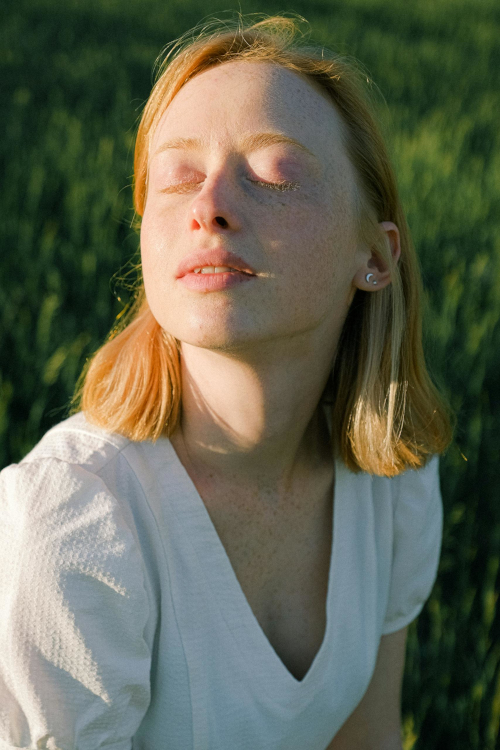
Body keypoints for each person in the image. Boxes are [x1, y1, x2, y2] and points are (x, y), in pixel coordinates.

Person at [0, 14, 452, 750]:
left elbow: (366, 734)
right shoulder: (76, 528)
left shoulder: (392, 478)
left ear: (374, 255)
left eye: (275, 174)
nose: (207, 206)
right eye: (176, 178)